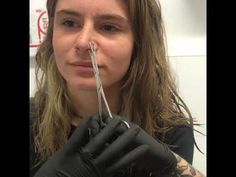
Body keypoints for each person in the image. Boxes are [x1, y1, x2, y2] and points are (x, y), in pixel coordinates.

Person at [30, 0, 205, 176]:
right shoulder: (32, 121)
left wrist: (172, 166)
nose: (83, 43)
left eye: (108, 27)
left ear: (139, 42)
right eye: (69, 23)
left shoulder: (170, 130)